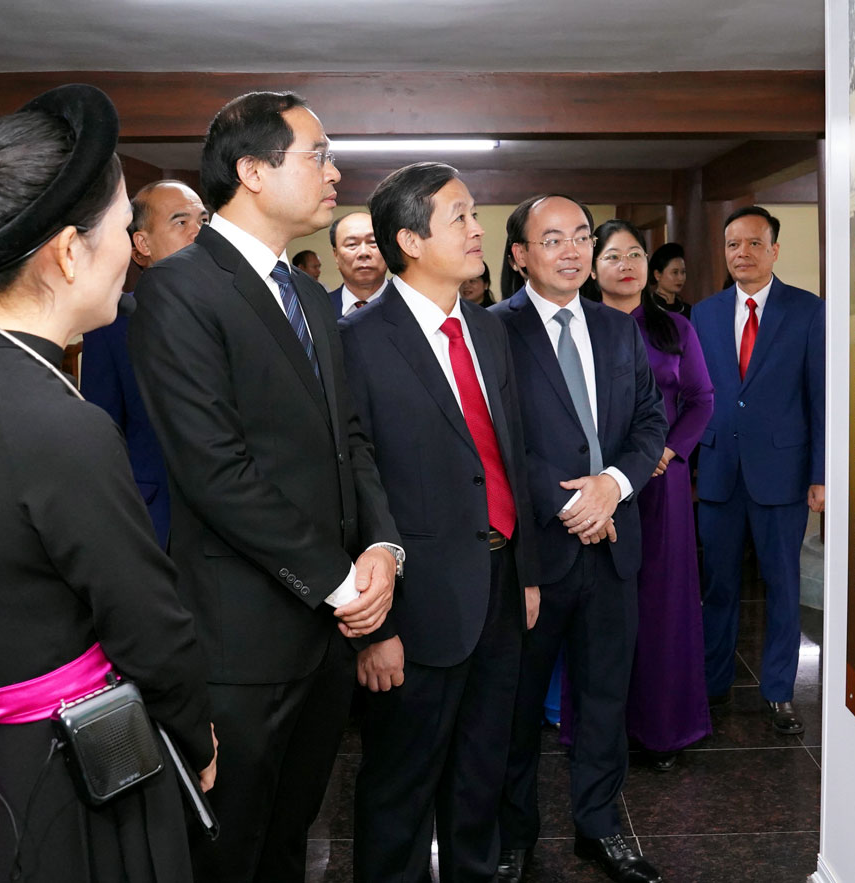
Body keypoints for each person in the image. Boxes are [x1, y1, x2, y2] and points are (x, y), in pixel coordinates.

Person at [0, 83, 217, 883]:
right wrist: (196, 732)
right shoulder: (60, 423)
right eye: (121, 229)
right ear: (69, 251)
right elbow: (148, 625)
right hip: (74, 779)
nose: (129, 250)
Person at [128, 91, 403, 882]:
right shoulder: (180, 287)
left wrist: (382, 546)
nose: (335, 172)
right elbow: (216, 471)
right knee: (228, 850)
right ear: (252, 171)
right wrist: (342, 583)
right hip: (242, 640)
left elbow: (349, 440)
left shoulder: (309, 295)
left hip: (324, 636)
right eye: (319, 155)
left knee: (290, 839)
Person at [338, 163, 539, 883]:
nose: (478, 229)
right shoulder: (357, 341)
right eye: (461, 217)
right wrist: (376, 628)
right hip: (414, 600)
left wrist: (527, 572)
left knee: (481, 775)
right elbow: (353, 484)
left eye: (475, 214)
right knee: (400, 786)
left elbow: (508, 455)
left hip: (500, 583)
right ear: (410, 240)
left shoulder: (487, 329)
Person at [491, 195, 667, 883]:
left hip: (614, 542)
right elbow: (497, 440)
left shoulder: (617, 328)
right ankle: (513, 836)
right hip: (533, 552)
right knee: (516, 705)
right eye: (552, 238)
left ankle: (598, 826)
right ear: (519, 255)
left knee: (604, 697)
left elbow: (649, 421)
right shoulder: (492, 330)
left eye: (582, 237)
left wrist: (612, 487)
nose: (571, 250)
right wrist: (573, 503)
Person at [693, 206, 825, 736]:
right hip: (719, 471)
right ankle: (713, 684)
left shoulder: (807, 310)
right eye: (732, 244)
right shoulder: (704, 313)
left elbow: (819, 398)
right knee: (718, 587)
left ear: (774, 250)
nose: (741, 253)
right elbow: (696, 394)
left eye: (753, 243)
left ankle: (778, 692)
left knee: (782, 586)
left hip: (783, 473)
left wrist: (820, 473)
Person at [590, 220, 715, 771]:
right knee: (598, 607)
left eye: (636, 254)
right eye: (612, 255)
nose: (627, 265)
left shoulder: (674, 328)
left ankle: (663, 729)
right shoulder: (579, 326)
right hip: (595, 486)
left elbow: (701, 399)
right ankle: (600, 729)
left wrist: (668, 450)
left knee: (662, 606)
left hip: (661, 483)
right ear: (592, 267)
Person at [81, 178, 209, 546]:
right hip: (154, 517)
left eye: (203, 221)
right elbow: (104, 431)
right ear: (142, 244)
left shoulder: (241, 315)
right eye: (181, 222)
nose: (199, 233)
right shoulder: (110, 323)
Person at [327, 209, 393, 315]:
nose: (363, 252)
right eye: (352, 244)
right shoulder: (318, 309)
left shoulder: (412, 304)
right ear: (336, 255)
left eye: (373, 242)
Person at [648, 241, 689, 318]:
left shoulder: (689, 311)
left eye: (683, 272)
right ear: (657, 275)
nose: (681, 278)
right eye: (675, 272)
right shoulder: (646, 310)